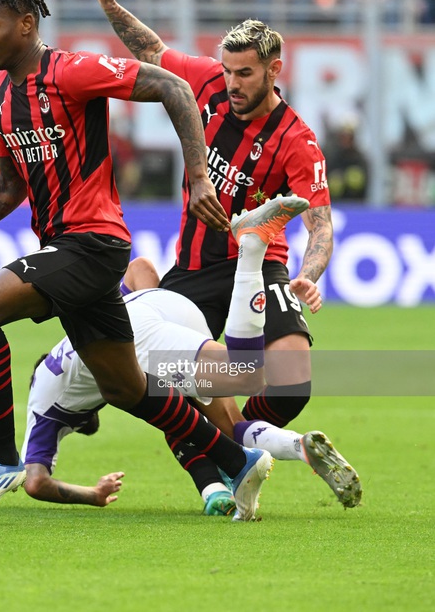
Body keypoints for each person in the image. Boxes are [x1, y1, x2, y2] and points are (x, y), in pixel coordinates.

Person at [0, 0, 272, 522]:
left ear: (26, 25)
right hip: (64, 248)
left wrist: (200, 176)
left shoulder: (72, 71)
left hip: (93, 244)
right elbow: (11, 184)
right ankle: (237, 457)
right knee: (126, 387)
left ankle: (0, 458)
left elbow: (176, 89)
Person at [96, 0, 334, 432]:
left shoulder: (297, 140)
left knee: (292, 382)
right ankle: (231, 446)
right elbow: (151, 51)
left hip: (262, 264)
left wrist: (309, 274)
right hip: (197, 268)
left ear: (274, 70)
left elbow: (321, 224)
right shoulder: (205, 81)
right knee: (164, 376)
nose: (231, 83)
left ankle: (243, 436)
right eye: (227, 71)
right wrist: (110, 5)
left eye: (244, 74)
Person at [21, 197, 361, 513]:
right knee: (225, 421)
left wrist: (92, 496)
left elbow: (35, 483)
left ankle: (252, 247)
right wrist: (151, 301)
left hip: (143, 337)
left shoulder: (44, 413)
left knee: (245, 375)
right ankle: (298, 446)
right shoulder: (71, 354)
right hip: (171, 307)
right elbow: (139, 268)